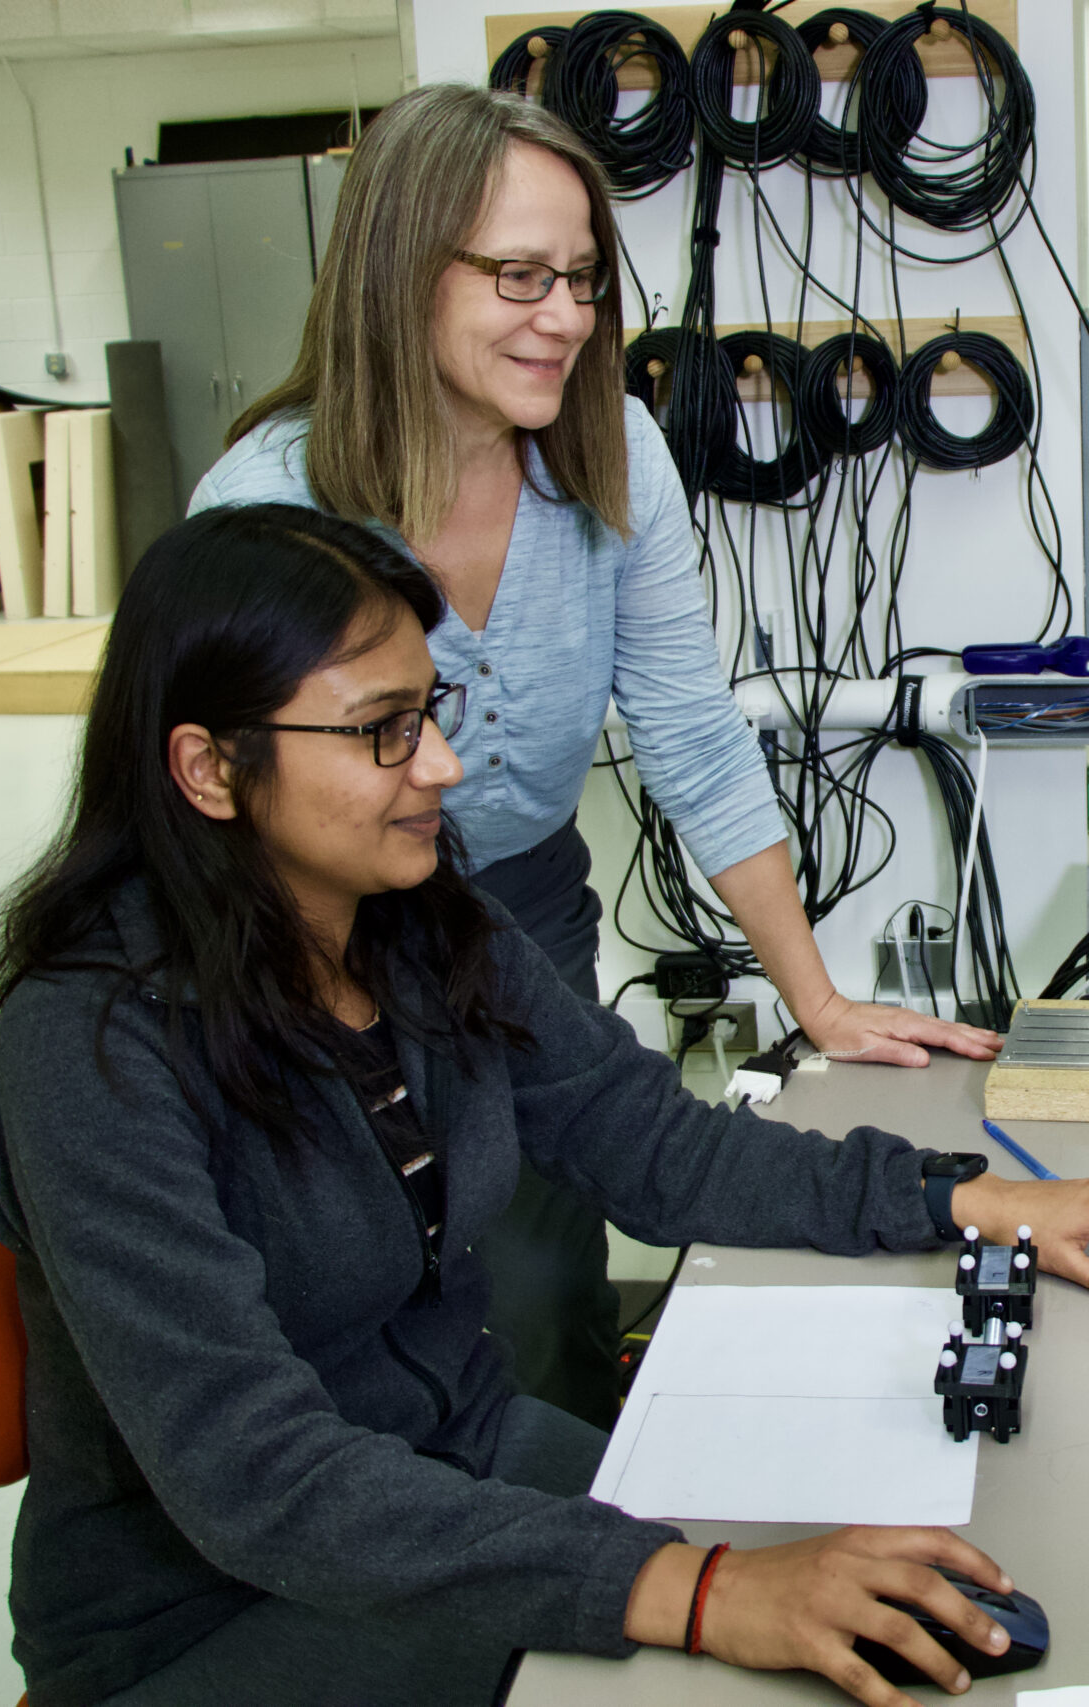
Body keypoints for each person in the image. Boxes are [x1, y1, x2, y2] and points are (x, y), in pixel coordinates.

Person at [0, 505, 1089, 1707]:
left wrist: (961, 1195)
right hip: (217, 1611)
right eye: (385, 730)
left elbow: (654, 1146)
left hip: (459, 1471)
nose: (446, 767)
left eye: (435, 711)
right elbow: (257, 1478)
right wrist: (693, 1587)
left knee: (890, 1577)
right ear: (207, 767)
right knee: (739, 1636)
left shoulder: (420, 930)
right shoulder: (90, 1050)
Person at [189, 84, 996, 1426]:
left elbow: (693, 735)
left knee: (539, 1279)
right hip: (293, 948)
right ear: (400, 271)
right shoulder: (266, 502)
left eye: (580, 278)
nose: (563, 315)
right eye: (517, 274)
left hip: (518, 921)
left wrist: (820, 997)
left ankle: (549, 1580)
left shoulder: (607, 457)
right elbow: (194, 807)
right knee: (346, 1291)